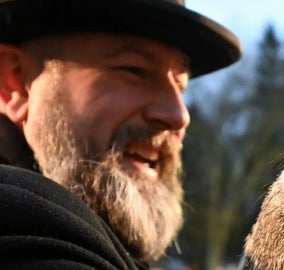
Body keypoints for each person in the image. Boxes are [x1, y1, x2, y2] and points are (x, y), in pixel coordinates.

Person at [0, 0, 241, 269]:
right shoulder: (16, 224)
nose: (179, 116)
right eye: (134, 70)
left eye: (180, 85)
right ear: (15, 83)